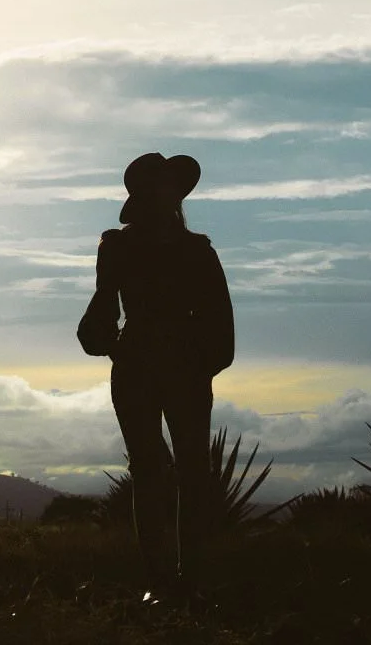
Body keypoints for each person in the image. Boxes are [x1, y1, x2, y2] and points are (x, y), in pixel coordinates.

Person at [77, 151, 234, 594]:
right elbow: (105, 309)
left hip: (167, 364)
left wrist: (202, 360)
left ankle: (188, 579)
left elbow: (218, 318)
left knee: (188, 470)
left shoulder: (190, 250)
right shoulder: (125, 248)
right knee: (152, 469)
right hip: (152, 364)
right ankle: (163, 580)